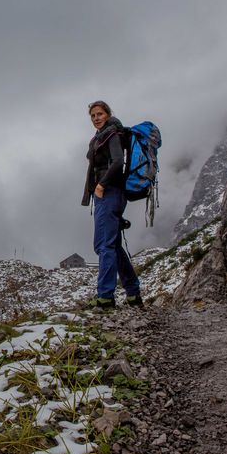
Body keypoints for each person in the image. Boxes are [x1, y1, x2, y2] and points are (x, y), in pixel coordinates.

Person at [81, 100, 143, 310]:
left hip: (109, 193)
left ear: (108, 114)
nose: (96, 118)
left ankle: (105, 297)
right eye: (93, 116)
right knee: (113, 245)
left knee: (104, 245)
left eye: (99, 114)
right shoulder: (102, 136)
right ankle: (133, 293)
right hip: (109, 194)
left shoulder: (112, 134)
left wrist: (101, 186)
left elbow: (118, 162)